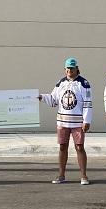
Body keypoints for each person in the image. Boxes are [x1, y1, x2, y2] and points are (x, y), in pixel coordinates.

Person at [39, 57, 93, 185]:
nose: (69, 70)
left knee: (79, 147)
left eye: (72, 68)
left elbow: (87, 103)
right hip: (62, 121)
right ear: (65, 70)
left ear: (77, 69)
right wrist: (41, 97)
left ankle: (84, 176)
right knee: (62, 147)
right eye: (67, 68)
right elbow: (53, 100)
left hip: (77, 122)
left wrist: (87, 120)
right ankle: (61, 175)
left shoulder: (84, 84)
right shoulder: (60, 83)